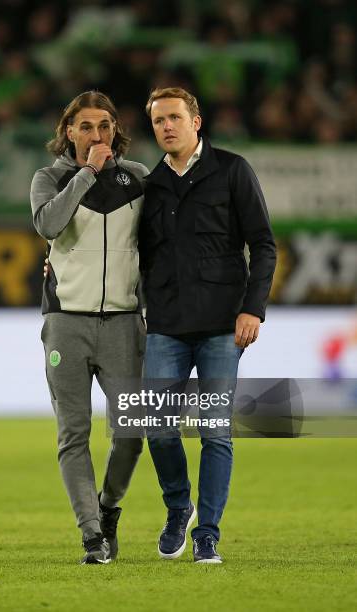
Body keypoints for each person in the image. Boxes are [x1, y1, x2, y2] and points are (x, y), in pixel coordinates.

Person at [139, 87, 276, 563]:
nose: (167, 127)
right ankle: (180, 507)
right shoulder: (151, 184)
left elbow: (263, 244)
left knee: (215, 430)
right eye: (158, 121)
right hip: (166, 325)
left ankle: (208, 533)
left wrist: (252, 308)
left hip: (222, 326)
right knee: (156, 427)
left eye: (175, 117)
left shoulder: (233, 170)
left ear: (196, 121)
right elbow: (131, 254)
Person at [30, 91, 148, 564]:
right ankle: (92, 537)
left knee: (131, 435)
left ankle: (108, 507)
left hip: (123, 322)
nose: (95, 134)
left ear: (114, 130)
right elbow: (49, 226)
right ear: (69, 132)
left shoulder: (139, 178)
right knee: (73, 434)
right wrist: (87, 173)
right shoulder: (50, 177)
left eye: (103, 126)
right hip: (65, 324)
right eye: (85, 126)